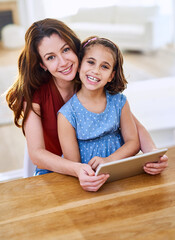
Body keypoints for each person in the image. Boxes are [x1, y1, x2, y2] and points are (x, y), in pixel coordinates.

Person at [5, 18, 168, 192]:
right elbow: (37, 153)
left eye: (66, 50)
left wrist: (153, 153)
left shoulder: (90, 81)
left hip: (102, 168)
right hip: (61, 171)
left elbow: (133, 125)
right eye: (51, 57)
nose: (63, 62)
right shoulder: (35, 96)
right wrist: (76, 169)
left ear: (76, 48)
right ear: (42, 65)